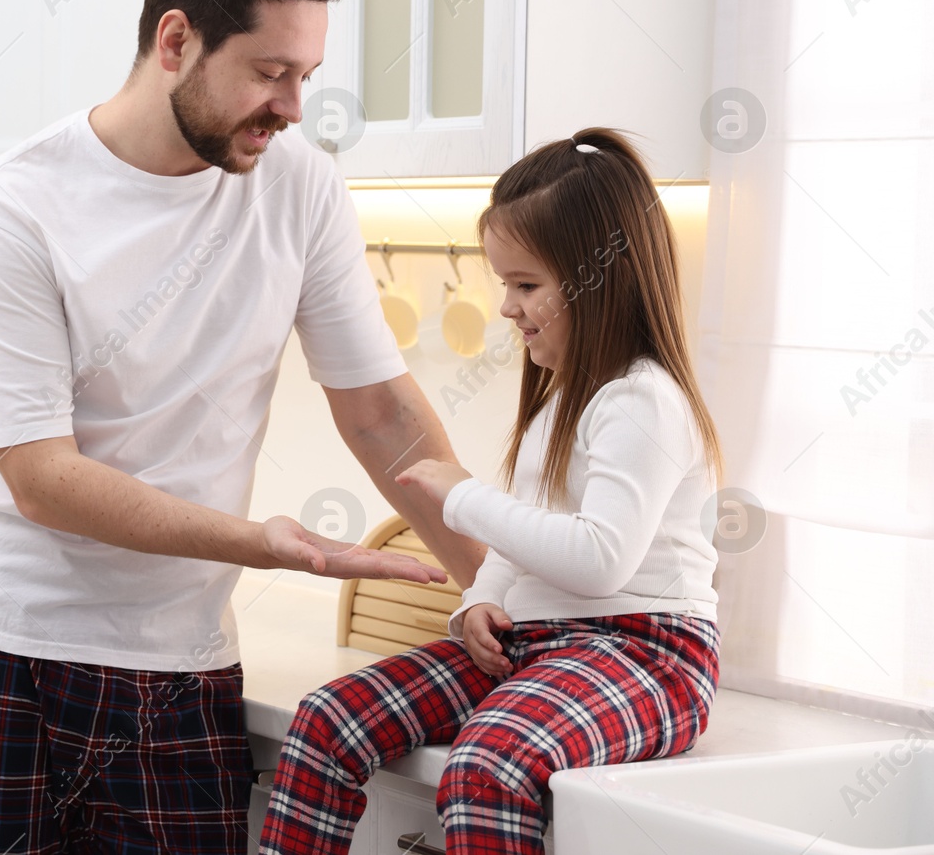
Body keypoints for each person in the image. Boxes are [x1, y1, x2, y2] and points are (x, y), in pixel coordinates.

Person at [0, 0, 484, 854]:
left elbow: (379, 409)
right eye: (269, 72)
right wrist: (266, 544)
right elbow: (42, 480)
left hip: (181, 666)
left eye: (306, 74)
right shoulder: (8, 211)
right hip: (1, 655)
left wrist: (492, 584)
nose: (293, 107)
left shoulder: (299, 188)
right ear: (175, 40)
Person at [258, 129, 724, 855]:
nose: (507, 305)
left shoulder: (643, 401)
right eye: (505, 283)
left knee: (487, 765)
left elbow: (601, 561)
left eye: (526, 284)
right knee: (326, 720)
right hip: (544, 647)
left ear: (603, 277)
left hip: (649, 656)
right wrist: (483, 599)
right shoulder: (561, 402)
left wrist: (461, 496)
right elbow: (529, 536)